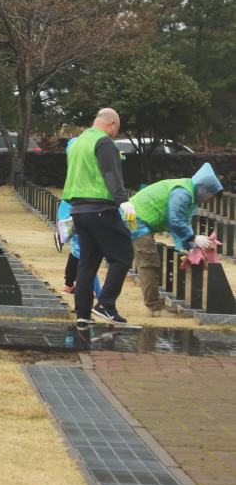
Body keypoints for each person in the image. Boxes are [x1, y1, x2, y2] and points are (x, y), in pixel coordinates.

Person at [64, 108, 140, 326]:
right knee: (123, 255)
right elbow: (110, 172)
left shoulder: (77, 142)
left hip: (78, 210)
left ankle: (83, 313)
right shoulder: (105, 142)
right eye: (117, 129)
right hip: (100, 208)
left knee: (88, 261)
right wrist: (122, 200)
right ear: (111, 124)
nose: (116, 133)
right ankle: (106, 304)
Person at [126, 163, 224, 316]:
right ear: (204, 188)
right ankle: (155, 308)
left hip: (141, 221)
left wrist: (190, 246)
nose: (209, 201)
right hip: (136, 221)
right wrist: (194, 238)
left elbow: (183, 223)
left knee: (150, 262)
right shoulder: (183, 193)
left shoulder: (190, 194)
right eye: (210, 197)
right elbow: (176, 220)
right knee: (149, 263)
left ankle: (156, 304)